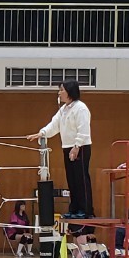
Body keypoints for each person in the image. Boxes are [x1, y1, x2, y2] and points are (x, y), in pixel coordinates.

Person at [33, 81, 93, 219]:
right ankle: (74, 209)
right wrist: (42, 133)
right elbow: (54, 125)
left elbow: (84, 130)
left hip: (80, 147)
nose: (59, 93)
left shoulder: (80, 108)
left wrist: (77, 146)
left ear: (69, 91)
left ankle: (85, 210)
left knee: (81, 179)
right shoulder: (63, 110)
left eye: (61, 90)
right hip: (67, 147)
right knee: (71, 180)